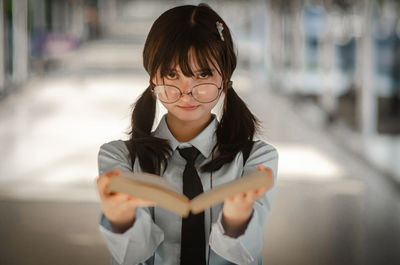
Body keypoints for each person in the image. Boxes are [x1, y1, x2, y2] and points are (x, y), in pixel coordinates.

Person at [96, 3, 278, 265]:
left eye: (203, 74)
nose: (187, 91)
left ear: (225, 78)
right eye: (172, 74)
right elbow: (132, 256)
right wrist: (120, 218)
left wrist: (237, 219)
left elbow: (244, 255)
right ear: (153, 80)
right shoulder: (119, 159)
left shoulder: (256, 159)